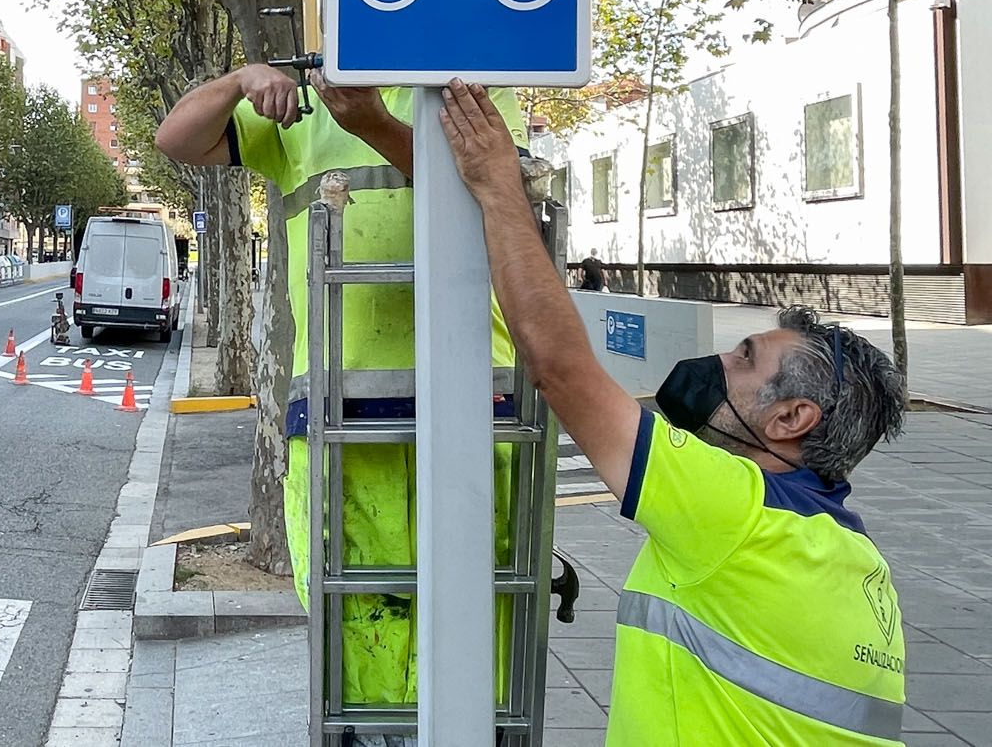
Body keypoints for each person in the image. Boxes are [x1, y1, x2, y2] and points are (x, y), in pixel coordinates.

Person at [437, 80, 907, 745]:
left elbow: (561, 369)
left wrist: (497, 189)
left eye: (744, 359)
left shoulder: (738, 516)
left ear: (790, 419)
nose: (718, 362)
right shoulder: (854, 554)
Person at [156, 63, 530, 708]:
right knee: (356, 604)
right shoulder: (303, 106)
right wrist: (239, 80)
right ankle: (368, 727)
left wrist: (375, 125)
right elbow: (176, 139)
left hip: (472, 391)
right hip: (337, 398)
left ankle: (474, 725)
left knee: (478, 593)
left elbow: (499, 189)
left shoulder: (472, 89)